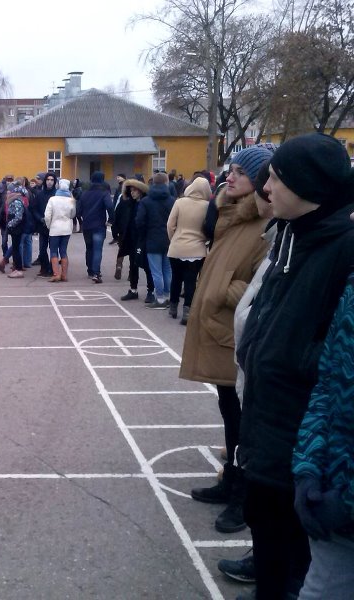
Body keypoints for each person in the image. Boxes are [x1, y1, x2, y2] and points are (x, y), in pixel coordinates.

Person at [236, 133, 354, 598]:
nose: (267, 189)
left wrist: (291, 361)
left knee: (295, 564)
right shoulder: (292, 235)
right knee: (267, 538)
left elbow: (337, 354)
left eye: (277, 179)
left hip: (301, 433)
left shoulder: (341, 249)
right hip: (266, 421)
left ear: (307, 187)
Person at [180, 145, 272, 537]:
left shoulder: (265, 223)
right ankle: (230, 480)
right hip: (221, 329)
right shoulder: (230, 216)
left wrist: (224, 291)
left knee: (244, 419)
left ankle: (242, 496)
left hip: (234, 331)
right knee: (228, 411)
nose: (230, 177)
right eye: (230, 169)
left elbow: (261, 285)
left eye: (241, 172)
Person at [292, 272, 354, 600]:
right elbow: (327, 385)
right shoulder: (352, 292)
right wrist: (308, 467)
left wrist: (348, 501)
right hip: (334, 496)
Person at [166, 176, 211, 323]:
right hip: (197, 249)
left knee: (176, 279)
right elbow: (209, 227)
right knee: (191, 281)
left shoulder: (179, 202)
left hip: (177, 247)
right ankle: (187, 311)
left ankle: (173, 307)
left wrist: (174, 239)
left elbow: (170, 225)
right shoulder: (207, 206)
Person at [135, 172, 175, 309]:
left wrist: (144, 234)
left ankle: (160, 299)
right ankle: (168, 296)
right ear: (166, 183)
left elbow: (139, 221)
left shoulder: (146, 201)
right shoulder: (172, 200)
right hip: (169, 240)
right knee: (167, 270)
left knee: (156, 271)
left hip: (152, 239)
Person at [118, 180, 156, 303]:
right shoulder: (130, 204)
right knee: (133, 265)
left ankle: (151, 291)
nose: (132, 193)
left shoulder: (146, 203)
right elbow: (121, 216)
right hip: (132, 238)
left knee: (146, 266)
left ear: (140, 191)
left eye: (134, 190)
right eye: (131, 191)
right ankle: (133, 289)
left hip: (144, 238)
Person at [76, 172, 114, 283]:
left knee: (89, 248)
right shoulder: (104, 193)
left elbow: (78, 210)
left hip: (87, 225)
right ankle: (96, 273)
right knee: (97, 249)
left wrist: (83, 217)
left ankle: (90, 270)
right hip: (99, 225)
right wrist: (111, 219)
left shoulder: (84, 193)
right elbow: (110, 206)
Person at [44, 179, 76, 282]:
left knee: (53, 251)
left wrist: (49, 226)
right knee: (63, 251)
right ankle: (64, 275)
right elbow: (73, 215)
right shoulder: (71, 199)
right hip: (66, 228)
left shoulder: (52, 199)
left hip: (55, 227)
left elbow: (47, 216)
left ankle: (56, 274)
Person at [30, 172, 56, 278]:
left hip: (54, 226)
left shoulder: (57, 194)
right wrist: (40, 218)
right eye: (48, 180)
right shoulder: (40, 194)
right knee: (42, 248)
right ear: (45, 181)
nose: (49, 182)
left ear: (55, 182)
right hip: (42, 225)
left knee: (54, 248)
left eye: (52, 180)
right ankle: (44, 268)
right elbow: (33, 208)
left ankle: (52, 269)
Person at [0, 181, 27, 278]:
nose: (7, 192)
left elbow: (18, 217)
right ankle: (17, 269)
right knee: (15, 248)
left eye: (9, 190)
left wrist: (10, 225)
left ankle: (18, 270)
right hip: (15, 228)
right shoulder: (15, 200)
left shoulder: (16, 201)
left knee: (16, 249)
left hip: (17, 228)